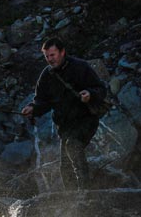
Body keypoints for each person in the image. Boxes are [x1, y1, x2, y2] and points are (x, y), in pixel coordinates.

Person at [21, 37, 107, 190]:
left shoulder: (81, 67)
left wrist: (90, 94)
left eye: (52, 55)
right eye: (46, 56)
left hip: (86, 119)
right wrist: (32, 109)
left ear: (62, 52)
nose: (49, 59)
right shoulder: (46, 75)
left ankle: (86, 192)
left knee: (73, 145)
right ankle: (71, 201)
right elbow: (42, 101)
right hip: (65, 125)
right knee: (65, 166)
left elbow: (101, 89)